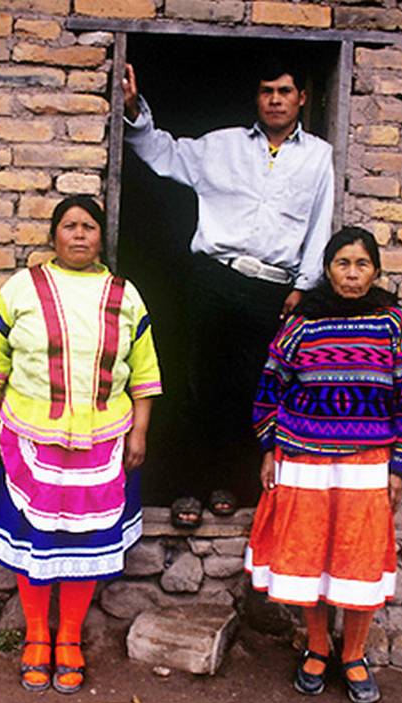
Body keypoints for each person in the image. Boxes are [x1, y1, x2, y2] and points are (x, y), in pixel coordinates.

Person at [0, 195, 162, 694]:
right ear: (53, 236)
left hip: (102, 442)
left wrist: (139, 431)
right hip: (30, 439)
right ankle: (35, 638)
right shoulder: (21, 289)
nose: (79, 235)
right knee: (35, 543)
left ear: (100, 237)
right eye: (69, 226)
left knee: (84, 544)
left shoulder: (124, 295)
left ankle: (68, 638)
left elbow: (146, 372)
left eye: (89, 227)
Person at [122, 57, 334, 527]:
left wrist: (304, 288)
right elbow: (164, 153)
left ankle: (228, 486)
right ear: (256, 99)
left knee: (251, 390)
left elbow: (321, 224)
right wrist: (135, 109)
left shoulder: (318, 156)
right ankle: (184, 488)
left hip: (272, 290)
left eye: (284, 91)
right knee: (195, 382)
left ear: (302, 97)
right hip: (214, 278)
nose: (275, 99)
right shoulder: (224, 146)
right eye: (266, 91)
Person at [244, 227, 402, 703]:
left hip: (367, 461)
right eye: (343, 263)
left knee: (358, 560)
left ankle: (355, 653)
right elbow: (270, 384)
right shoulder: (303, 321)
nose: (352, 273)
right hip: (304, 457)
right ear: (327, 269)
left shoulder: (391, 321)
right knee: (309, 556)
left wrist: (399, 464)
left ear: (376, 270)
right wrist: (269, 447)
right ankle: (318, 646)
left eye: (362, 264)